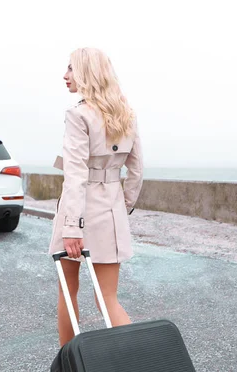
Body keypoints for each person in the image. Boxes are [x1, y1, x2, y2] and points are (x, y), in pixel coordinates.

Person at [48, 47, 144, 346]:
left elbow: (75, 175)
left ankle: (69, 362)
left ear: (87, 73)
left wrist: (72, 227)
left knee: (68, 290)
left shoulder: (78, 115)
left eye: (71, 68)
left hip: (79, 208)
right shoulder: (125, 112)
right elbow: (137, 170)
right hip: (111, 208)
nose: (65, 75)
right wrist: (121, 206)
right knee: (108, 298)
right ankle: (138, 364)